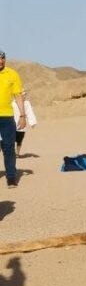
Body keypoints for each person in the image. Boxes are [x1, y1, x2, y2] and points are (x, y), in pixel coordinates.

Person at [0, 51, 28, 188]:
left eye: (2, 58)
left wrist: (23, 115)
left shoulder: (12, 74)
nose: (0, 61)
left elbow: (18, 95)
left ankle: (11, 177)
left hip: (6, 117)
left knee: (8, 147)